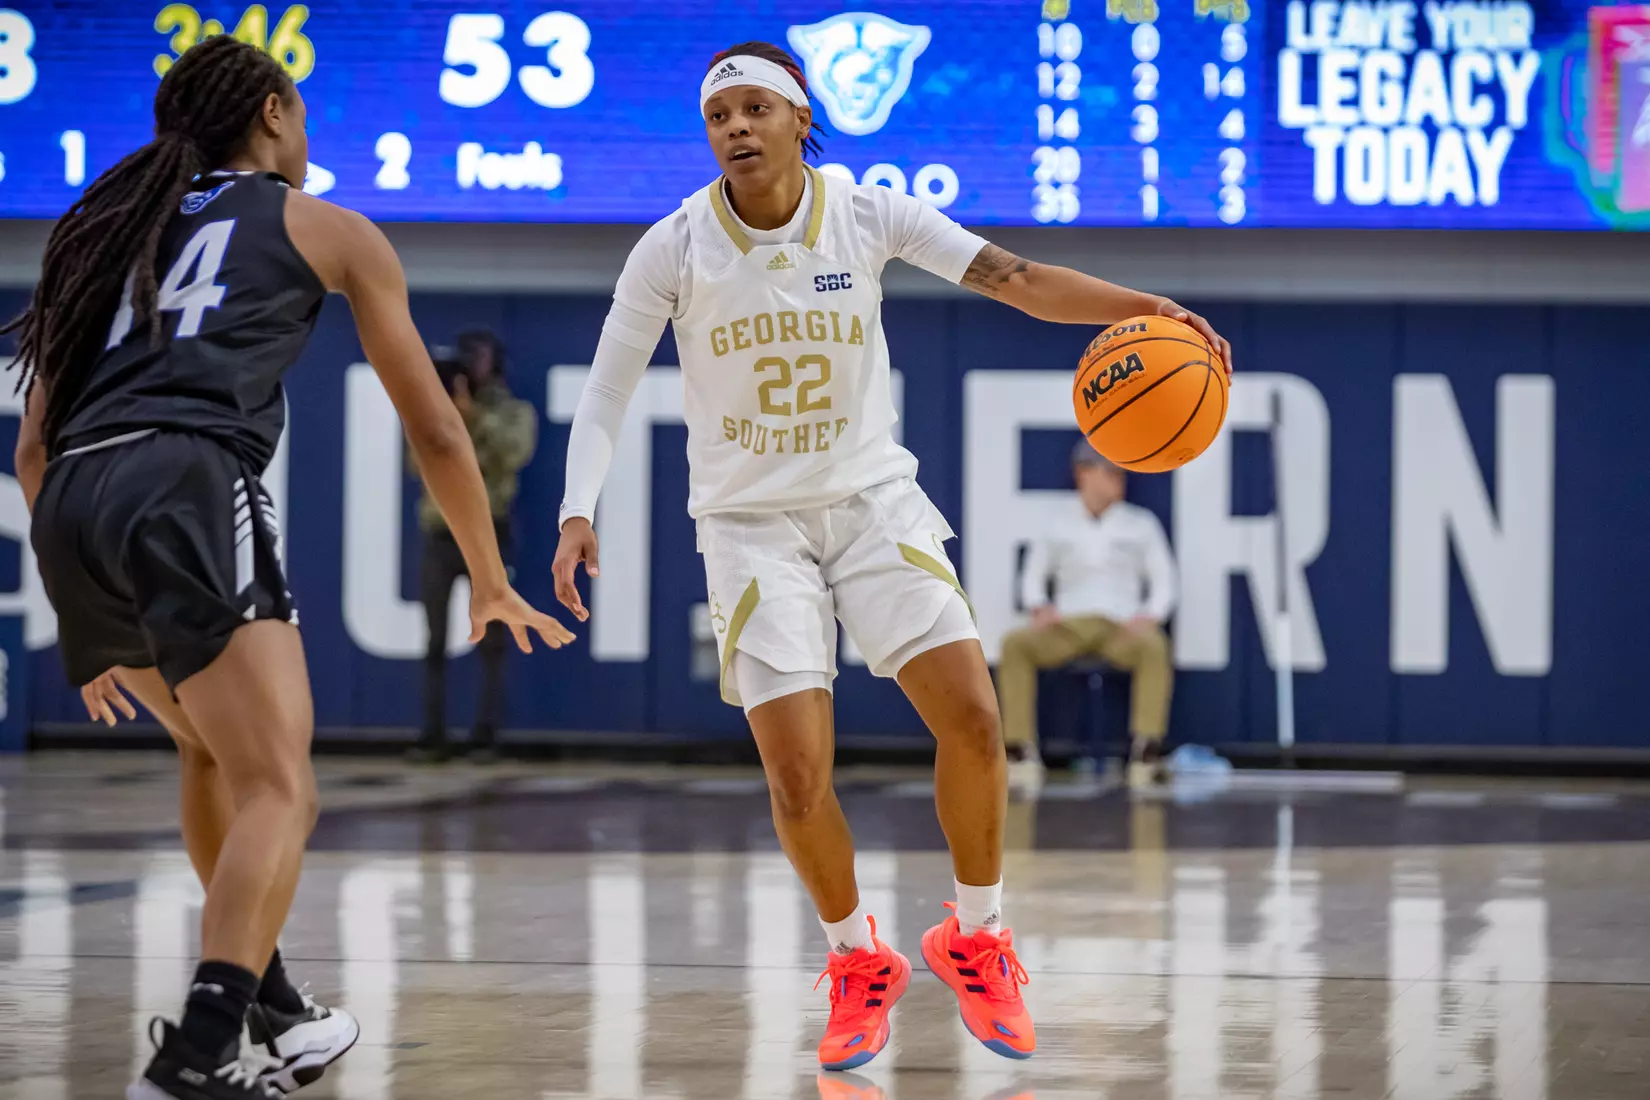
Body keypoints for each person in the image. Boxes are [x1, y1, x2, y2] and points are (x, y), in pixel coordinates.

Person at [551, 41, 1232, 1070]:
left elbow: (1016, 277)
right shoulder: (674, 246)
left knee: (973, 714)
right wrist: (575, 508)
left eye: (753, 110)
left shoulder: (869, 211)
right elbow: (607, 386)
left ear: (797, 117)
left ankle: (978, 930)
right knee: (795, 773)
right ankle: (856, 955)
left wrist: (1145, 308)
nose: (734, 128)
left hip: (873, 503)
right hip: (748, 524)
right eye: (718, 115)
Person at [3, 36, 572, 1100]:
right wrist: (491, 578)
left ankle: (278, 1010)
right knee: (282, 784)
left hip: (72, 503)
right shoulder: (326, 227)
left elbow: (30, 449)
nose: (307, 136)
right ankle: (197, 1051)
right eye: (302, 115)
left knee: (214, 757)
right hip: (184, 478)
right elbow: (440, 433)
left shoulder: (97, 229)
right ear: (271, 114)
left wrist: (90, 602)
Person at [998, 444, 1178, 787]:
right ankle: (1020, 750)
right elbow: (1033, 574)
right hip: (1068, 625)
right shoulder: (1057, 523)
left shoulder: (1140, 524)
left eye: (1121, 474)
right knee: (1015, 644)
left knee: (1155, 647)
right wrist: (1039, 605)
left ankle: (1146, 750)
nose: (1117, 481)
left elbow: (1164, 579)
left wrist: (1151, 615)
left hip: (1120, 628)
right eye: (1109, 472)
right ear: (1083, 473)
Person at [410, 330, 538, 762]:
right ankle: (433, 735)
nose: (470, 366)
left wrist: (473, 418)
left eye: (478, 358)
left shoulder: (514, 412)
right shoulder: (438, 411)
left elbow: (515, 453)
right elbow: (418, 460)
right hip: (441, 532)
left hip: (488, 532)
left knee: (494, 641)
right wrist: (450, 417)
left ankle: (486, 736)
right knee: (434, 640)